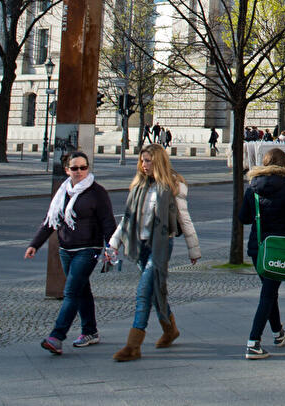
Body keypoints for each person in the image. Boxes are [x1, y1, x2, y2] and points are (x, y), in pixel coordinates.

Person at [105, 144, 201, 362]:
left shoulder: (172, 186)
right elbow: (127, 219)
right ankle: (170, 330)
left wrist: (193, 249)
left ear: (158, 161)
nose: (143, 165)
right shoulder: (138, 186)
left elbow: (184, 219)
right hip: (140, 246)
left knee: (143, 293)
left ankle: (133, 345)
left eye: (148, 160)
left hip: (160, 246)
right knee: (156, 292)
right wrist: (113, 244)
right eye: (142, 160)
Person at [26, 151, 116, 355]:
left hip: (88, 249)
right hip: (66, 249)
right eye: (75, 168)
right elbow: (51, 220)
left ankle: (56, 337)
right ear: (67, 170)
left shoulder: (97, 192)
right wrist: (35, 244)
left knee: (71, 291)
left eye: (83, 167)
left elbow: (108, 222)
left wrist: (111, 247)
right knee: (82, 290)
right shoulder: (63, 191)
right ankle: (90, 331)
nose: (80, 172)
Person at [238, 148, 285, 359]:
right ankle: (253, 342)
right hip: (277, 248)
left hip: (256, 247)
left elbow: (244, 218)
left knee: (270, 290)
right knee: (268, 293)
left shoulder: (252, 188)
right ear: (283, 165)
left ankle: (278, 332)